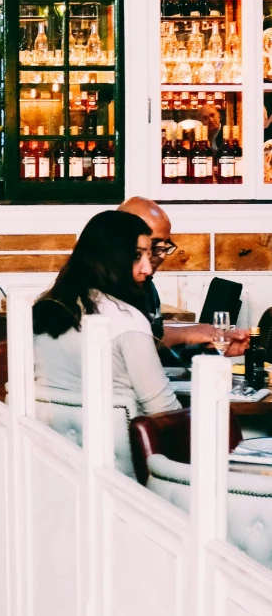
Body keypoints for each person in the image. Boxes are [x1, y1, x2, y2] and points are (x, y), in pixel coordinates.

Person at [32, 209, 178, 474]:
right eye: (137, 255)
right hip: (129, 470)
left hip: (52, 461)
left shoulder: (45, 307)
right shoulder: (127, 320)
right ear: (110, 258)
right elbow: (164, 413)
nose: (147, 267)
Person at [119, 195, 251, 355]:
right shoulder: (104, 289)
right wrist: (187, 333)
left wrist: (210, 344)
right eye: (153, 245)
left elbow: (155, 342)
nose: (162, 255)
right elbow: (132, 343)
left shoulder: (148, 286)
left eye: (165, 245)